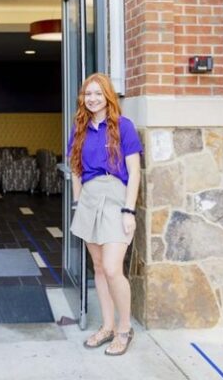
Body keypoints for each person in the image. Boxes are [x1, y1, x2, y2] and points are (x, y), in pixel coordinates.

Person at [67, 72, 142, 356]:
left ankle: (124, 329)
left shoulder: (124, 127)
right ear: (83, 98)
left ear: (108, 95)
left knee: (112, 268)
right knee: (98, 268)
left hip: (115, 198)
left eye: (98, 93)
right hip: (89, 198)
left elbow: (134, 172)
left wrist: (128, 210)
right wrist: (77, 204)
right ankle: (107, 325)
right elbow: (75, 168)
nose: (93, 98)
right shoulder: (80, 129)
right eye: (88, 94)